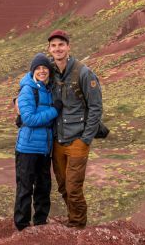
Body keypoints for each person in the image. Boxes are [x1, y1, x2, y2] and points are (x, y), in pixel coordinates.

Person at [47, 30, 102, 229]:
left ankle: (78, 227)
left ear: (68, 47)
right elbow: (31, 83)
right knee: (63, 186)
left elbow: (96, 107)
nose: (57, 49)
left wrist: (86, 138)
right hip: (57, 139)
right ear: (49, 49)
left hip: (77, 139)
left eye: (61, 44)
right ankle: (72, 219)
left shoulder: (84, 73)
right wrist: (17, 99)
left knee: (73, 187)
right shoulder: (49, 71)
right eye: (53, 46)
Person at [14, 52, 63, 231]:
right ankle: (22, 226)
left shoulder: (48, 89)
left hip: (44, 148)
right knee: (25, 187)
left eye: (45, 68)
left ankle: (41, 223)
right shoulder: (28, 89)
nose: (42, 71)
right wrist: (54, 111)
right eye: (38, 68)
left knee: (43, 186)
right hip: (27, 148)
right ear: (33, 71)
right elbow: (29, 119)